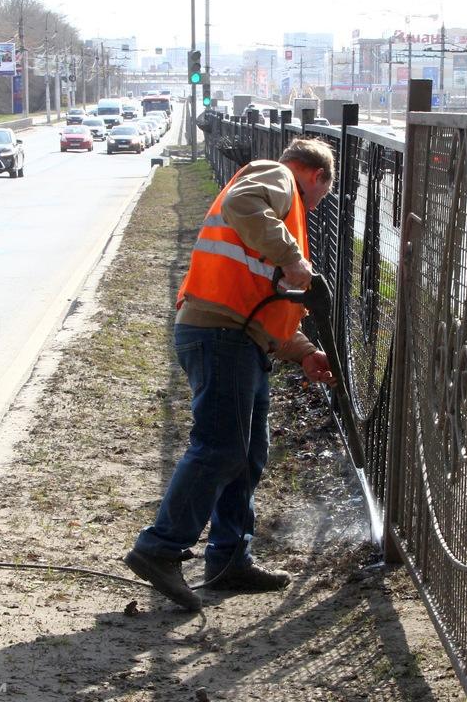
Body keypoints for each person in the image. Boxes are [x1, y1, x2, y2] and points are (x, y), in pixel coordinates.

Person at [124, 138, 337, 612]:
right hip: (220, 334)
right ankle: (159, 549)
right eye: (325, 192)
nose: (319, 204)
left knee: (246, 453)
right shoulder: (278, 177)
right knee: (221, 448)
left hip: (236, 336)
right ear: (317, 176)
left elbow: (260, 301)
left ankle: (229, 560)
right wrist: (293, 258)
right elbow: (244, 205)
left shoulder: (280, 205)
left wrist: (303, 351)